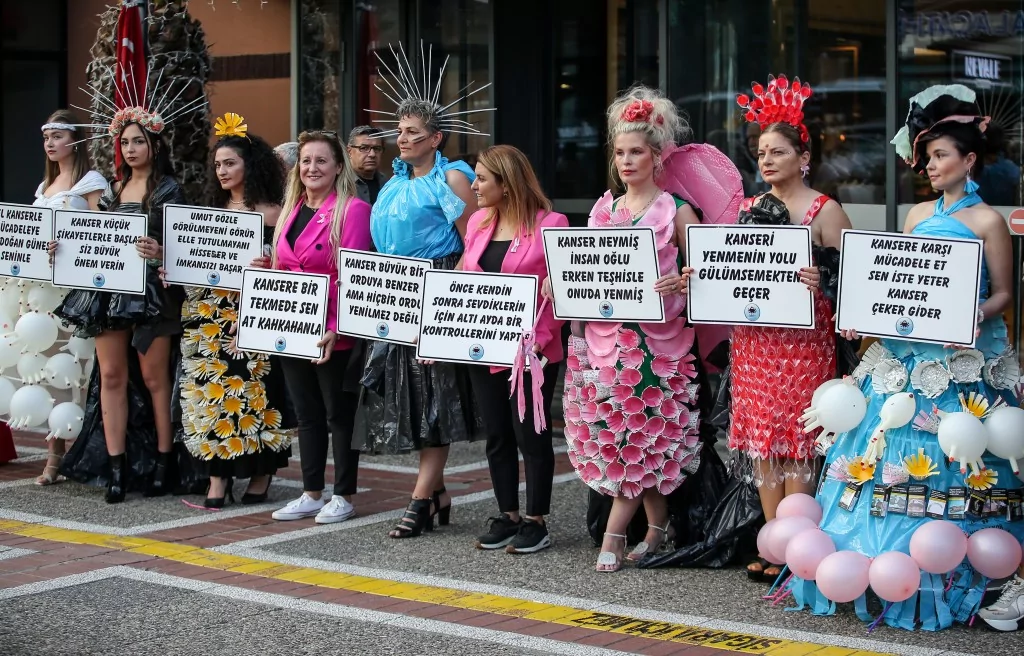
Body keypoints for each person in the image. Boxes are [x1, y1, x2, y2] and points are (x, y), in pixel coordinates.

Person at [808, 84, 1024, 630]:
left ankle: (966, 569)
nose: (930, 167)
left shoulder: (988, 222)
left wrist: (978, 314)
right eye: (927, 158)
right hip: (909, 355)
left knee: (963, 451)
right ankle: (884, 558)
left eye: (941, 156)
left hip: (963, 357)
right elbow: (901, 282)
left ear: (969, 160)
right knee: (888, 439)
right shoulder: (917, 214)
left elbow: (1004, 294)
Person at [557, 85, 702, 572]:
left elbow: (712, 270)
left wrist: (684, 278)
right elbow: (585, 270)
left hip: (657, 341)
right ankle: (659, 528)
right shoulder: (604, 210)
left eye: (636, 151)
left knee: (643, 431)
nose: (626, 160)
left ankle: (615, 535)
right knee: (624, 430)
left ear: (657, 155)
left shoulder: (675, 209)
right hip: (605, 339)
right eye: (619, 152)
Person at [714, 75, 852, 582]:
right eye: (760, 152)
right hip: (754, 343)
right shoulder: (747, 209)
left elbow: (854, 284)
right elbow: (728, 269)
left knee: (797, 441)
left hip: (804, 344)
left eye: (777, 151)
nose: (766, 160)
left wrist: (825, 278)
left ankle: (798, 545)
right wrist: (698, 277)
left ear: (803, 156)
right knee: (763, 445)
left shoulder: (825, 210)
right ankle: (775, 541)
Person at [353, 43, 484, 539]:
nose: (400, 138)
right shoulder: (391, 183)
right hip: (393, 293)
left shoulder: (450, 178)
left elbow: (474, 238)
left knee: (436, 394)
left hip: (438, 285)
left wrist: (455, 297)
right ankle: (439, 492)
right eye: (399, 131)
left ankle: (419, 498)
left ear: (435, 138)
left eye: (411, 132)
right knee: (408, 393)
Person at [53, 108, 192, 503]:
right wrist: (62, 249)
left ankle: (165, 464)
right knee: (111, 376)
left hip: (150, 297)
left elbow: (182, 246)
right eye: (125, 142)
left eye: (138, 141)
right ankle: (116, 469)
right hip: (108, 294)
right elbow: (94, 239)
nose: (130, 149)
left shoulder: (169, 189)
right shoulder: (112, 190)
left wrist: (159, 250)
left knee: (154, 380)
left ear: (154, 145)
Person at [173, 114, 296, 508]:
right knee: (211, 393)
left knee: (257, 392)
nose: (222, 171)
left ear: (250, 165)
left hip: (255, 313)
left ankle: (261, 473)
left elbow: (291, 264)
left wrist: (270, 263)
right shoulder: (208, 210)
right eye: (218, 165)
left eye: (230, 163)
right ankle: (216, 479)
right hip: (209, 314)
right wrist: (169, 266)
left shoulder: (276, 212)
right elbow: (190, 259)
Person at [262, 131, 372, 524]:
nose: (312, 168)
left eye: (321, 160)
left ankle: (342, 494)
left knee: (338, 415)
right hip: (292, 326)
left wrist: (339, 328)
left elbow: (356, 278)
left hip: (330, 332)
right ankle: (312, 491)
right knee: (306, 414)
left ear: (339, 166)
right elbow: (285, 268)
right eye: (306, 160)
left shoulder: (352, 210)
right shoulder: (291, 209)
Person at [461, 145, 567, 553]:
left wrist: (540, 338)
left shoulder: (551, 223)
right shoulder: (477, 223)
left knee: (531, 435)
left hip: (533, 350)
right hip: (483, 347)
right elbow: (464, 278)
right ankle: (507, 514)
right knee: (497, 434)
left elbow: (564, 290)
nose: (474, 186)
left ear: (507, 183)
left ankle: (536, 520)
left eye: (482, 178)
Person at [31, 109, 109, 486]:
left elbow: (101, 231)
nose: (49, 143)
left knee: (78, 368)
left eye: (57, 136)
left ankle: (83, 451)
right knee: (49, 370)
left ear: (75, 141)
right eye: (46, 137)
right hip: (42, 289)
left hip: (75, 288)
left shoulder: (91, 181)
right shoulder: (43, 187)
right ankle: (53, 452)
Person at [347, 126, 388, 205]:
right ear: (349, 151)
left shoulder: (386, 183)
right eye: (364, 148)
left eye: (377, 148)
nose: (372, 154)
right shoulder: (338, 183)